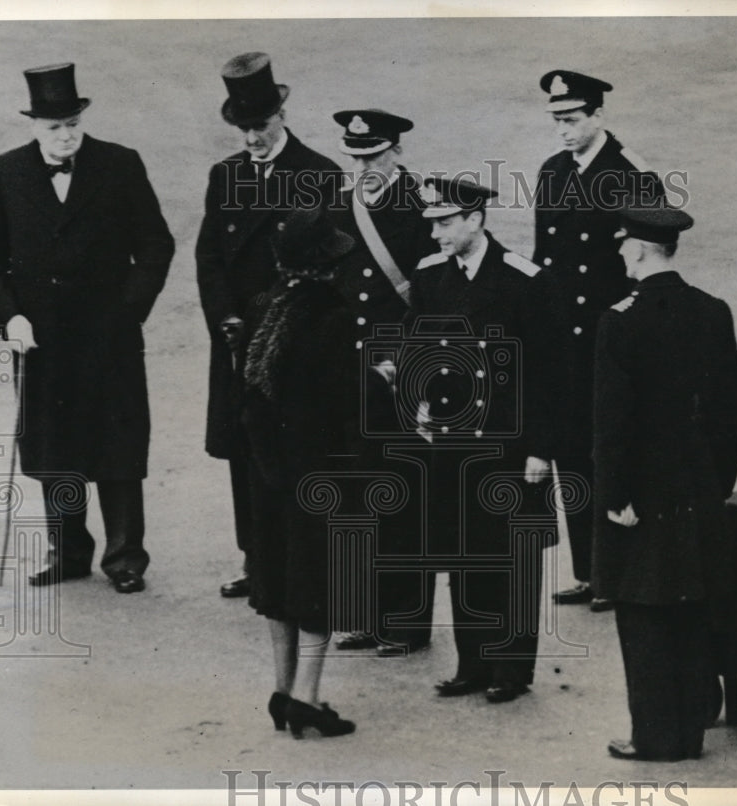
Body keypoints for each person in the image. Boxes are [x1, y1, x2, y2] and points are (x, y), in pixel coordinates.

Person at [0, 62, 174, 594]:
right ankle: (68, 552)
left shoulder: (120, 164)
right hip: (43, 341)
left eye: (73, 125)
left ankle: (126, 558)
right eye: (53, 127)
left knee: (118, 444)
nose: (65, 137)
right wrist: (11, 318)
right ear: (34, 127)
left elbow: (156, 245)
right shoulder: (7, 171)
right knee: (55, 447)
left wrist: (129, 310)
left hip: (110, 337)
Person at [401, 177, 567, 703]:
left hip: (512, 446)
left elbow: (550, 374)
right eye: (432, 223)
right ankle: (473, 661)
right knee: (462, 553)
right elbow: (415, 346)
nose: (435, 234)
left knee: (512, 559)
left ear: (476, 220)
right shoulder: (429, 276)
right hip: (451, 445)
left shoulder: (525, 280)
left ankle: (512, 670)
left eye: (445, 223)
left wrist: (542, 448)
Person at [593, 206, 737, 761]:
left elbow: (613, 423)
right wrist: (715, 481)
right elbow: (733, 411)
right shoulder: (711, 310)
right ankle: (690, 731)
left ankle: (656, 737)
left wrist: (612, 496)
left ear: (636, 250)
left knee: (644, 613)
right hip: (699, 486)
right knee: (691, 606)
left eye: (621, 246)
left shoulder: (621, 319)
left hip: (642, 493)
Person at [195, 52, 343, 599]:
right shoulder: (225, 175)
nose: (252, 139)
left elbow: (328, 263)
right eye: (243, 129)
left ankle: (299, 563)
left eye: (260, 126)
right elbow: (209, 258)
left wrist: (284, 321)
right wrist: (225, 317)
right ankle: (257, 559)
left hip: (292, 338)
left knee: (295, 449)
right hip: (238, 336)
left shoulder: (319, 174)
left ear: (281, 117)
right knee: (244, 448)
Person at [532, 70, 663, 610]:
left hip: (611, 339)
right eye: (557, 120)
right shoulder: (552, 172)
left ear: (598, 116)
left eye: (572, 120)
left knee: (614, 452)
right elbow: (546, 258)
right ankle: (589, 571)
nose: (563, 131)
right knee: (570, 452)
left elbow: (646, 268)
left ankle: (620, 571)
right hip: (566, 340)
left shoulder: (631, 176)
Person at [240, 206, 359, 739]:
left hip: (268, 474)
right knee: (317, 587)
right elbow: (342, 406)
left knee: (277, 581)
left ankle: (282, 690)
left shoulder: (266, 309)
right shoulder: (334, 318)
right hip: (319, 474)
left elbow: (253, 399)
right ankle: (308, 697)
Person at [326, 108, 437, 657]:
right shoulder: (338, 204)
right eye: (356, 157)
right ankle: (360, 614)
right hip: (351, 372)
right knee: (353, 496)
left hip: (399, 372)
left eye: (373, 156)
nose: (364, 167)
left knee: (403, 500)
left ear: (396, 152)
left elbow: (431, 294)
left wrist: (404, 360)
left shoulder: (422, 207)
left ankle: (405, 622)